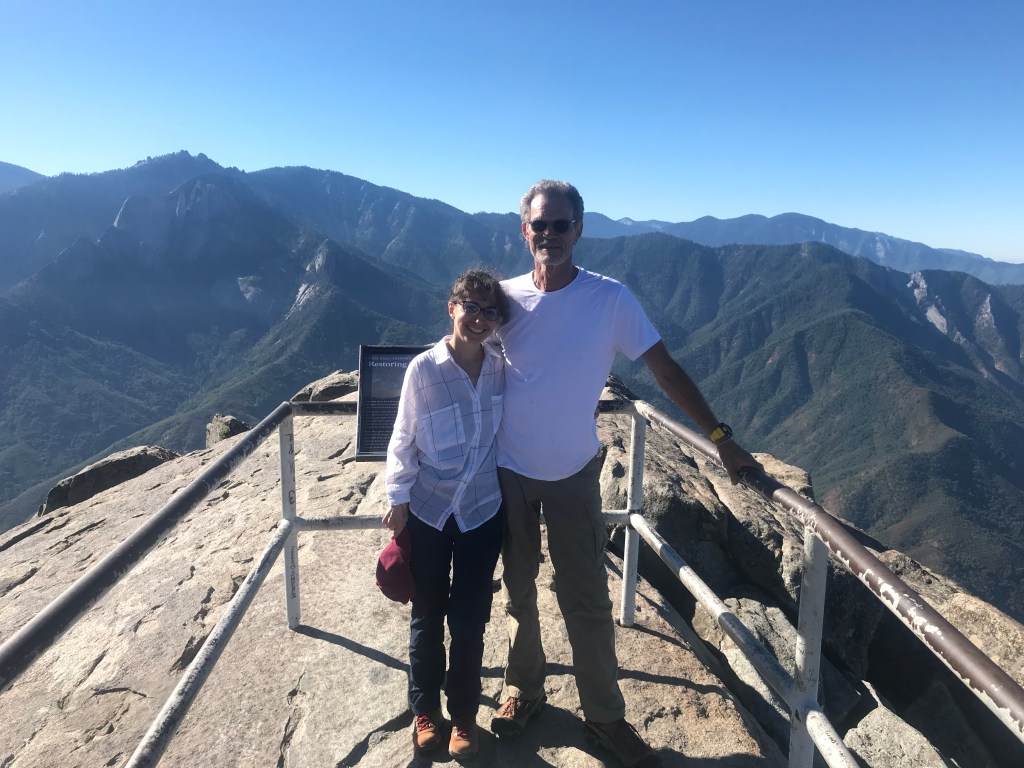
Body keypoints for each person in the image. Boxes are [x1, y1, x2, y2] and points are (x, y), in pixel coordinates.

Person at [488, 180, 762, 768]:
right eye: (540, 225)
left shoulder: (610, 299)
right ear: (524, 230)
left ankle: (605, 715)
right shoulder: (505, 299)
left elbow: (664, 370)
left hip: (572, 473)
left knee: (585, 597)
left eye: (562, 226)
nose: (550, 236)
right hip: (507, 470)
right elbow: (464, 359)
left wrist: (721, 439)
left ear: (579, 230)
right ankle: (523, 690)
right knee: (519, 590)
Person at [383, 269, 510, 760]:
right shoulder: (424, 370)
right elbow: (402, 438)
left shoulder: (501, 366)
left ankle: (463, 717)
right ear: (451, 307)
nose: (479, 319)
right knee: (427, 614)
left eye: (489, 311)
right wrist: (396, 500)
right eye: (470, 307)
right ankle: (424, 711)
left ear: (498, 321)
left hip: (482, 511)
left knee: (471, 618)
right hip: (430, 511)